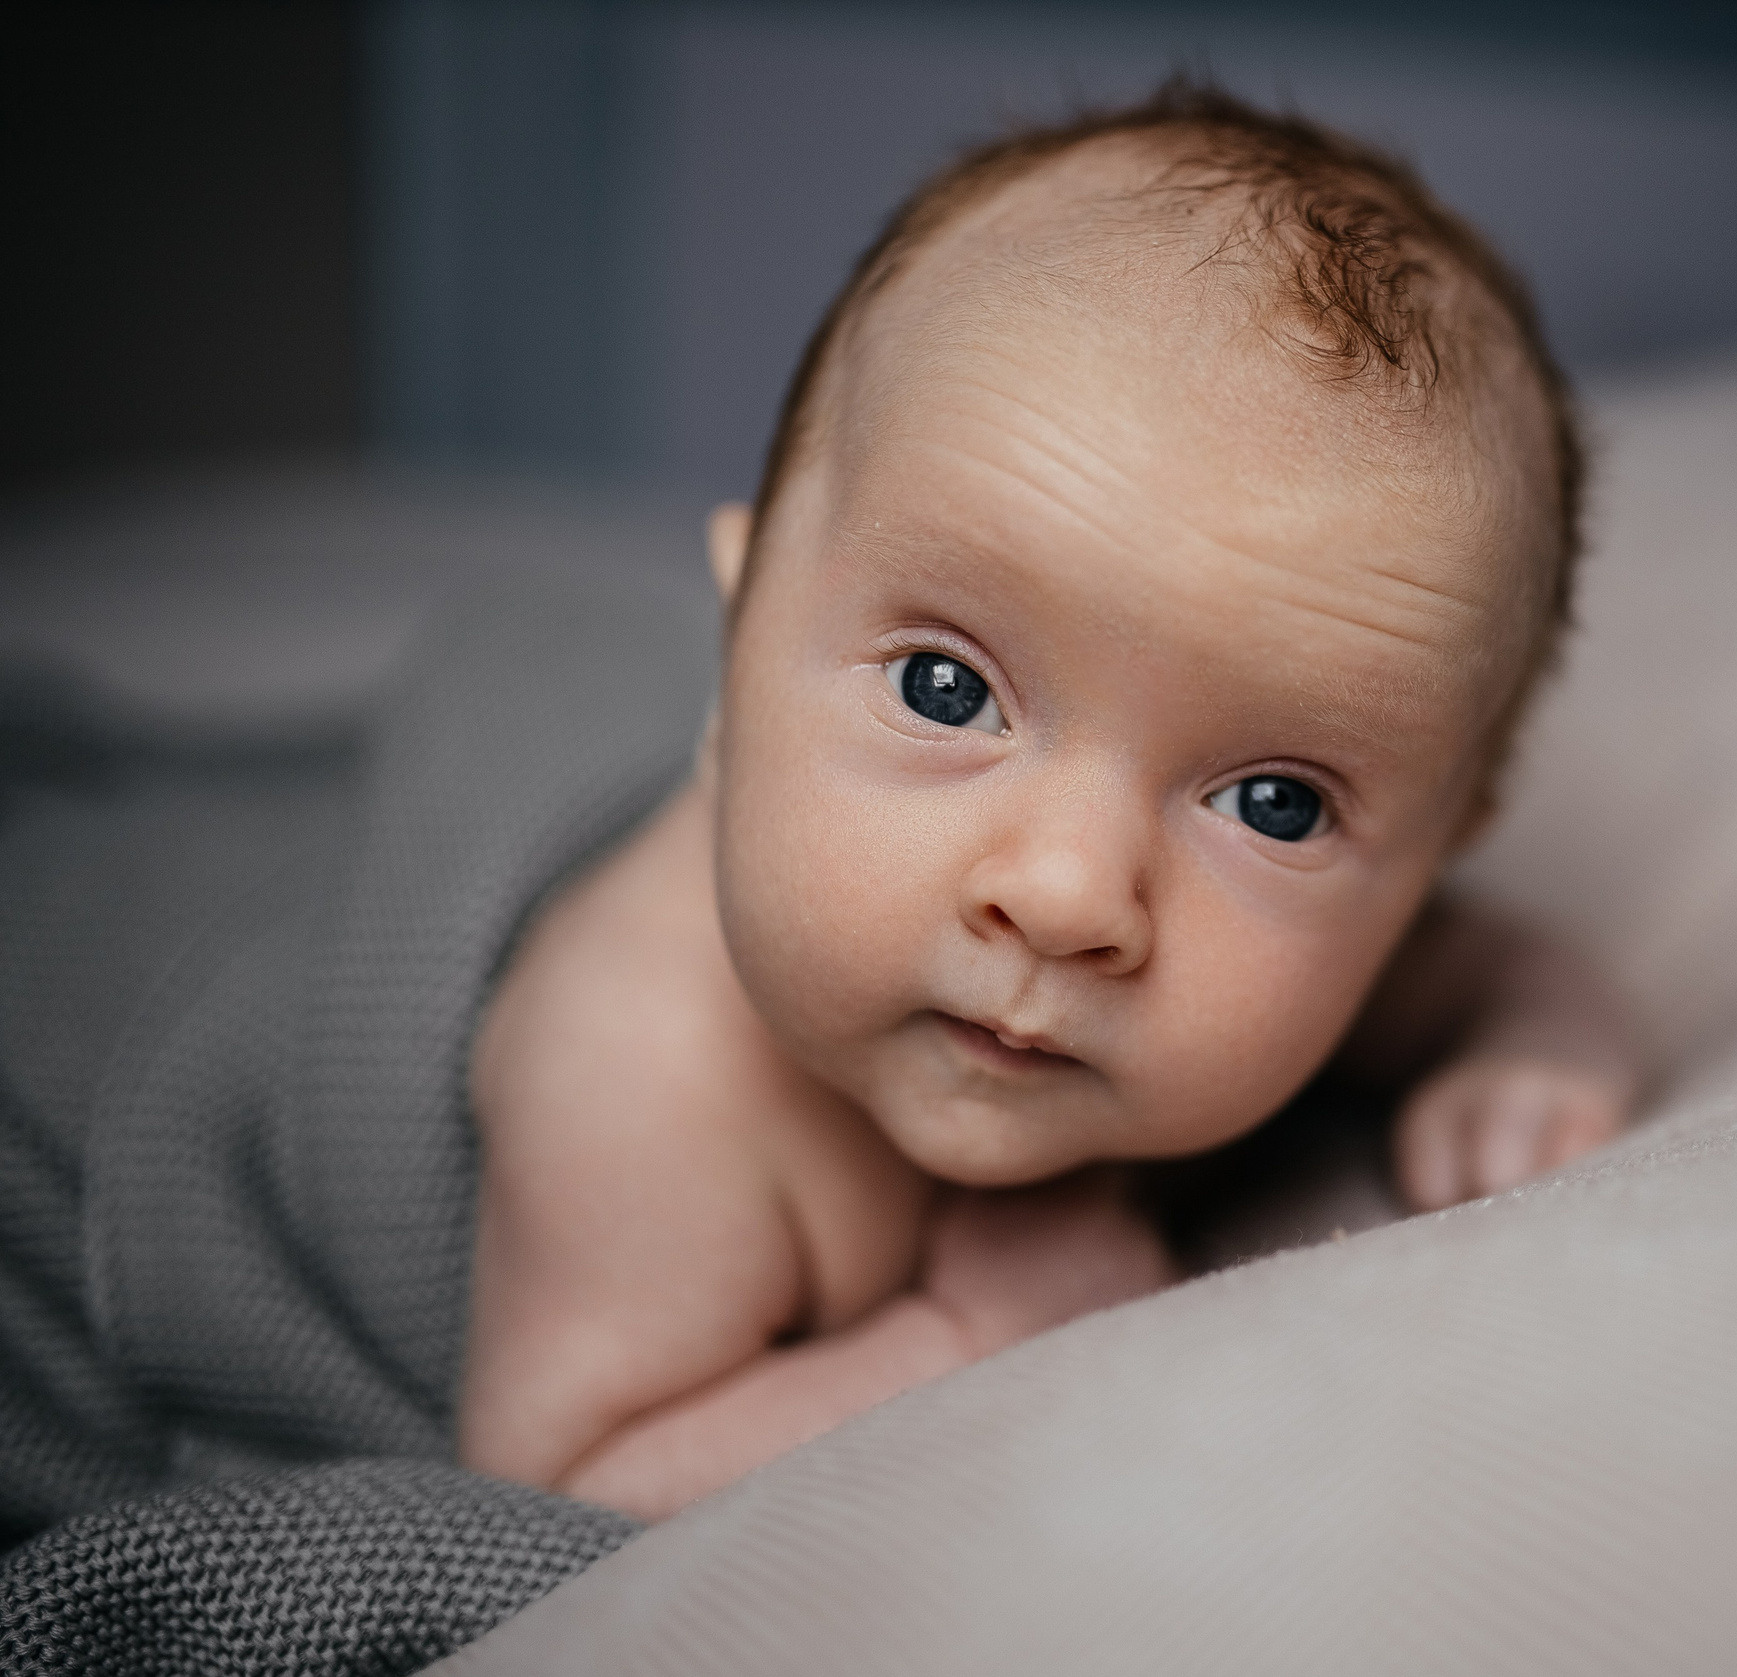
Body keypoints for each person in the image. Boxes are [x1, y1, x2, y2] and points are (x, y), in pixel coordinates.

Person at [456, 81, 1646, 1522]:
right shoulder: (641, 1066)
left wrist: (1539, 1047)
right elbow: (560, 1487)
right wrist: (964, 1344)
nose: (1071, 894)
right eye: (945, 690)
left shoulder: (1308, 951)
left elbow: (1486, 968)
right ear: (739, 634)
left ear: (1433, 853)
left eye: (1274, 804)